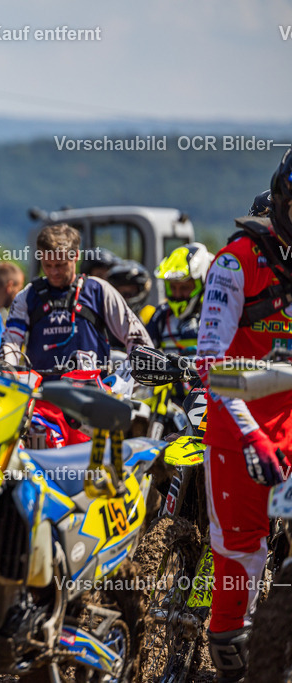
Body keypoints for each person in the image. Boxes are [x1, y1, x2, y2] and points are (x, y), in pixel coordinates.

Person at [195, 152, 292, 682]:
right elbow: (211, 361)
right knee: (237, 563)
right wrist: (253, 436)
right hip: (240, 428)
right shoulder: (234, 262)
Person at [1, 223, 152, 377]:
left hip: (94, 394)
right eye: (47, 265)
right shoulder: (28, 295)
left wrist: (126, 381)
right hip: (42, 395)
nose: (53, 272)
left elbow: (138, 338)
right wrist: (8, 373)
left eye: (60, 265)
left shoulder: (99, 290)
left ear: (76, 256)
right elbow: (11, 342)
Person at [147, 243, 213, 357]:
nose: (177, 294)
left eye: (184, 287)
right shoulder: (161, 316)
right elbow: (143, 351)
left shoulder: (213, 314)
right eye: (172, 287)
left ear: (202, 283)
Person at [105, 259, 155, 324]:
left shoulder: (152, 315)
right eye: (121, 293)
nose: (127, 298)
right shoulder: (105, 316)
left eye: (131, 292)